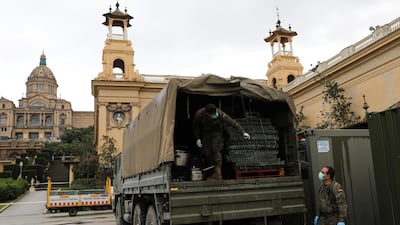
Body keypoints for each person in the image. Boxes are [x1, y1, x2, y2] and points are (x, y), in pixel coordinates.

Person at [192, 103, 250, 180]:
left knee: (216, 150)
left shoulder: (220, 114)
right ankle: (214, 172)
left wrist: (243, 132)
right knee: (207, 153)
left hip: (217, 133)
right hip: (206, 134)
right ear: (207, 113)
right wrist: (197, 138)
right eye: (212, 114)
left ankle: (218, 173)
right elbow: (195, 126)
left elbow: (233, 123)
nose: (214, 115)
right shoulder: (199, 114)